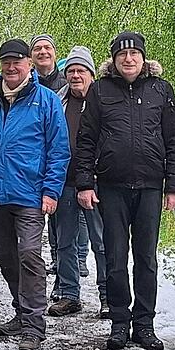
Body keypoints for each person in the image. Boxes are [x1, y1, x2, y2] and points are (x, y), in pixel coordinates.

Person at [76, 32, 175, 350]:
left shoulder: (161, 90)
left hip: (151, 186)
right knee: (115, 257)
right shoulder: (100, 90)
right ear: (114, 60)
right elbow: (86, 140)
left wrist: (174, 186)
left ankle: (145, 325)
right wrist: (84, 183)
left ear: (143, 57)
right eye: (122, 54)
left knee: (146, 258)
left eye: (134, 53)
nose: (129, 59)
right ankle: (120, 323)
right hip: (112, 187)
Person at [0, 38, 69, 350]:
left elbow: (58, 151)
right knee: (7, 259)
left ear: (29, 64)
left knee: (29, 254)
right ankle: (21, 311)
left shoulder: (47, 101)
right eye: (6, 62)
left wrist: (51, 191)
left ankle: (34, 327)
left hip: (30, 195)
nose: (11, 67)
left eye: (17, 61)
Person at [47, 46, 98, 318]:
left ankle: (107, 296)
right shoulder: (58, 101)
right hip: (65, 180)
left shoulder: (103, 99)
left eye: (81, 70)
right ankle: (69, 294)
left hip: (98, 181)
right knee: (65, 241)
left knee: (103, 242)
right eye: (71, 71)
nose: (76, 75)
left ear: (91, 73)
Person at [29, 34, 67, 277]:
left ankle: (64, 270)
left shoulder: (68, 80)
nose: (43, 52)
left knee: (62, 225)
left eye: (47, 47)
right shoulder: (26, 84)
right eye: (37, 48)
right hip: (33, 163)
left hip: (61, 159)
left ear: (54, 52)